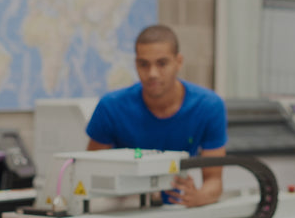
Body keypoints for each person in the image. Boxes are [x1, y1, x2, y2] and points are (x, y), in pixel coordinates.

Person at [86, 25, 227, 208]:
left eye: (162, 63)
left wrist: (199, 197)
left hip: (176, 209)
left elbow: (214, 181)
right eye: (144, 64)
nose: (152, 73)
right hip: (124, 209)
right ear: (136, 64)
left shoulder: (209, 106)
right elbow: (90, 173)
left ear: (179, 62)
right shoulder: (110, 107)